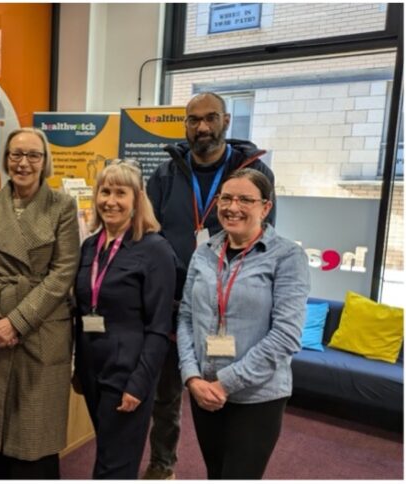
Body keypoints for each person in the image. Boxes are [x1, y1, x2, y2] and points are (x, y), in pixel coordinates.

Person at [143, 91, 276, 480]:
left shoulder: (253, 173)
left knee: (225, 392)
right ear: (185, 124)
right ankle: (162, 463)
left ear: (226, 121)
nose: (202, 127)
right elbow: (151, 232)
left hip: (227, 306)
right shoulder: (166, 173)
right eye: (194, 120)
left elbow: (264, 238)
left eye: (210, 118)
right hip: (172, 302)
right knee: (167, 395)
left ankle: (225, 471)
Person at [0, 127, 80, 479]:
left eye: (32, 155)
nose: (23, 163)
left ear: (45, 161)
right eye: (16, 155)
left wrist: (17, 322)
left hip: (39, 330)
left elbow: (63, 272)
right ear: (6, 159)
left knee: (34, 438)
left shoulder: (62, 205)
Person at [177, 168, 309, 479]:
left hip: (256, 397)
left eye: (245, 200)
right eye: (226, 198)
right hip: (204, 392)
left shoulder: (287, 257)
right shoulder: (204, 252)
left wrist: (226, 383)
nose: (232, 207)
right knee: (215, 472)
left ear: (266, 207)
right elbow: (185, 316)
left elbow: (287, 336)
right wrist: (191, 377)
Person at [73, 160, 177, 479]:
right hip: (92, 369)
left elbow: (160, 327)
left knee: (115, 465)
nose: (111, 200)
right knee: (106, 450)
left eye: (121, 192)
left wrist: (140, 382)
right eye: (105, 191)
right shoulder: (91, 245)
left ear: (137, 199)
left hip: (128, 373)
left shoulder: (155, 249)